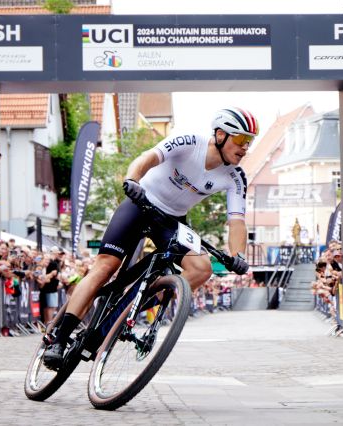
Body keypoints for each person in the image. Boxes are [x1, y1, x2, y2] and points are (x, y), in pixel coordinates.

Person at [43, 107, 256, 367]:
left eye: (250, 142)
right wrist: (132, 179)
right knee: (106, 267)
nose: (246, 147)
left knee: (201, 268)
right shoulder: (190, 143)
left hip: (172, 221)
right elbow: (148, 157)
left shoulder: (235, 177)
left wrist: (238, 256)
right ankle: (59, 339)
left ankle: (127, 309)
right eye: (242, 139)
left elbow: (237, 221)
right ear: (221, 135)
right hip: (141, 203)